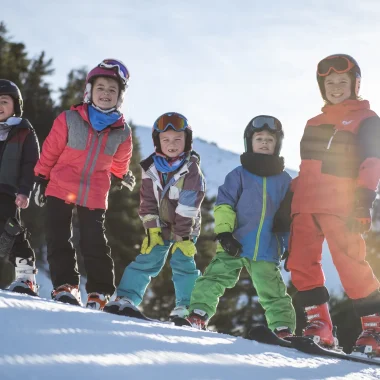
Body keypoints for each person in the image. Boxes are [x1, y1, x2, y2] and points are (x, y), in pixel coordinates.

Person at [288, 54, 380, 353]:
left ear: (356, 84)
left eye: (342, 81)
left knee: (351, 263)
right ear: (321, 86)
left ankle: (374, 330)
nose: (336, 87)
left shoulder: (368, 120)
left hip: (341, 203)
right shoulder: (312, 122)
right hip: (306, 204)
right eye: (329, 82)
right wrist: (289, 203)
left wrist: (363, 199)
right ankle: (320, 326)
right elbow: (306, 167)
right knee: (301, 265)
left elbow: (372, 161)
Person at [33, 59, 135, 310]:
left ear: (120, 97)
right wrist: (40, 177)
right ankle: (65, 286)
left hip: (95, 192)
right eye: (100, 88)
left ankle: (99, 293)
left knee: (94, 242)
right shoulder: (69, 118)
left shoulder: (122, 132)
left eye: (113, 90)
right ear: (89, 91)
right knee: (58, 237)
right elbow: (50, 151)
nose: (106, 94)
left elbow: (120, 161)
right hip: (59, 186)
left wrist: (122, 177)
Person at [185, 115, 296, 338]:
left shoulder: (285, 181)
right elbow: (224, 204)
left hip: (266, 248)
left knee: (273, 291)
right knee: (214, 277)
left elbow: (287, 219)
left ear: (278, 145)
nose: (264, 142)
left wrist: (290, 246)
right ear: (250, 142)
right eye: (259, 138)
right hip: (234, 242)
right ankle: (198, 314)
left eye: (270, 140)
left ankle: (283, 330)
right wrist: (224, 233)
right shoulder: (239, 175)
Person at [104, 112, 205, 319]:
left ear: (187, 141)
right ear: (157, 142)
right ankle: (125, 298)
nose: (172, 144)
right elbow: (147, 201)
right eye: (166, 139)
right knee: (147, 259)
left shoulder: (192, 169)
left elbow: (188, 206)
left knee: (182, 262)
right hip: (161, 225)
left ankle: (187, 307)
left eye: (178, 139)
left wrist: (182, 236)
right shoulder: (150, 168)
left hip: (185, 228)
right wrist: (152, 229)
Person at [0, 79, 39, 295]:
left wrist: (25, 190)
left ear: (15, 106)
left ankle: (26, 276)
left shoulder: (23, 132)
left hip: (8, 192)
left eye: (4, 101)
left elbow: (30, 164)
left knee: (10, 231)